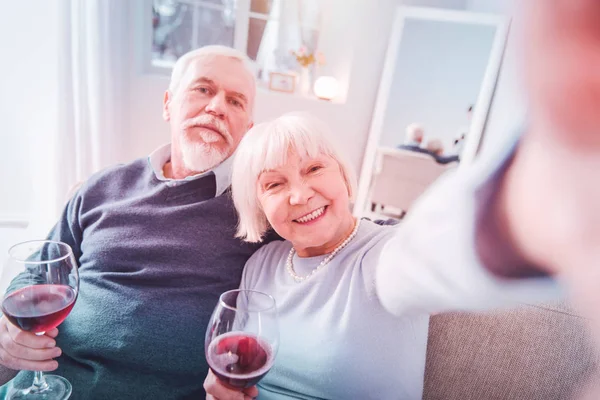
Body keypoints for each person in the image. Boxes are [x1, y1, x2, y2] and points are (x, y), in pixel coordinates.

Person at [203, 112, 560, 400]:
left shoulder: (385, 255)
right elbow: (237, 369)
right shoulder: (260, 265)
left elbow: (449, 256)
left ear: (343, 175)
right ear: (259, 204)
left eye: (314, 169)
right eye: (275, 184)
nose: (299, 194)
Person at [0, 45, 273, 399]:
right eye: (203, 89)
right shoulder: (102, 187)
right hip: (48, 386)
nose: (217, 106)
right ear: (168, 104)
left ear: (247, 128)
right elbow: (39, 270)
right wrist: (7, 325)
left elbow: (336, 236)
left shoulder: (258, 208)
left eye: (236, 101)